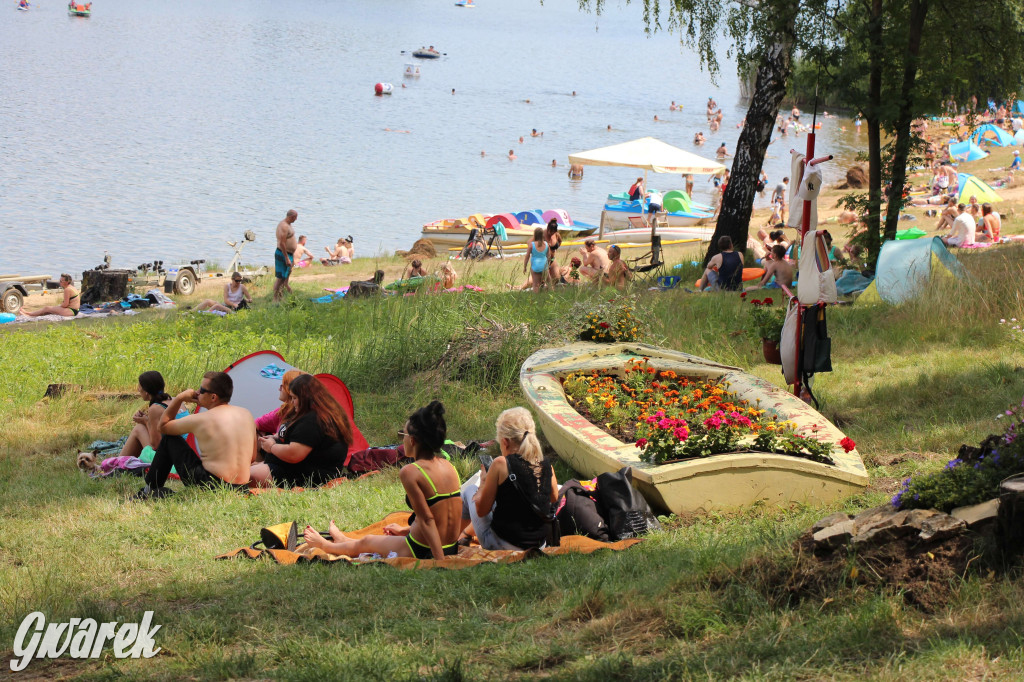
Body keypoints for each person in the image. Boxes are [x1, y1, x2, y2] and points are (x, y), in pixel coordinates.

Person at [304, 401, 462, 560]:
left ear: (412, 440)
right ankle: (344, 541)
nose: (402, 440)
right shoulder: (449, 466)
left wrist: (440, 561)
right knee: (372, 541)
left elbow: (427, 519)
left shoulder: (411, 471)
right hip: (450, 546)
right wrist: (404, 530)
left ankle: (326, 545)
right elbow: (440, 512)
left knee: (368, 541)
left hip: (424, 549)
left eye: (403, 435)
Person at [135, 371, 255, 499]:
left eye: (202, 390)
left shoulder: (202, 419)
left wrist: (180, 398)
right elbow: (252, 457)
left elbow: (162, 427)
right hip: (241, 488)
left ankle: (150, 490)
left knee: (170, 439)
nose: (196, 392)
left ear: (213, 397)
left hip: (210, 486)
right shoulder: (246, 414)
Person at [461, 407, 558, 551]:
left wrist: (483, 483)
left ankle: (453, 540)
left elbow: (481, 511)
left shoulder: (500, 464)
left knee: (470, 491)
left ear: (505, 442)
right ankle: (464, 535)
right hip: (539, 544)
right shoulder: (546, 464)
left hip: (503, 544)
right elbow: (554, 498)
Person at [250, 373, 353, 488]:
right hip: (297, 467)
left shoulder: (312, 420)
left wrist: (272, 447)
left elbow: (294, 454)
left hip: (308, 476)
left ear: (305, 398)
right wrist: (275, 437)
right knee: (244, 473)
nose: (292, 402)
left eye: (294, 398)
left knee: (247, 477)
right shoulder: (317, 412)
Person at [117, 371, 173, 460]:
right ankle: (121, 462)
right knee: (141, 427)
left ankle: (118, 464)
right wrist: (147, 420)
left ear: (146, 391)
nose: (138, 389)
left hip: (170, 460)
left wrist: (146, 421)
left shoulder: (155, 408)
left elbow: (156, 444)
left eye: (139, 386)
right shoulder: (174, 401)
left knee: (139, 429)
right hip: (185, 452)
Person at [255, 369, 302, 437]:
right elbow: (257, 423)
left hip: (285, 447)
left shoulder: (306, 415)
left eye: (281, 386)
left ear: (289, 389)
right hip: (275, 446)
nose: (279, 389)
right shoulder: (284, 409)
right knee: (259, 433)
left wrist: (273, 442)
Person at [273, 210, 298, 302]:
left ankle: (281, 295)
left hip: (289, 254)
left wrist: (292, 257)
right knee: (280, 278)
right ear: (291, 216)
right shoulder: (283, 226)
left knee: (285, 276)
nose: (296, 219)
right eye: (295, 217)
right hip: (283, 253)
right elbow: (282, 243)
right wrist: (286, 257)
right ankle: (275, 298)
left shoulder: (289, 225)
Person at [523, 227, 550, 293]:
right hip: (544, 266)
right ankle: (551, 295)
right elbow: (548, 257)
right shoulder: (546, 245)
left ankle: (536, 298)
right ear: (542, 235)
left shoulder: (531, 245)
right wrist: (548, 266)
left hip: (535, 266)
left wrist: (525, 267)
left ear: (535, 235)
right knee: (549, 283)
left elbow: (527, 257)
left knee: (536, 285)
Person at [544, 219, 563, 285]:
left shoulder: (556, 234)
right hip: (544, 259)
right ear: (547, 228)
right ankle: (518, 287)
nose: (551, 233)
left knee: (556, 279)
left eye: (553, 232)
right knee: (542, 280)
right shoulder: (543, 234)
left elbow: (560, 241)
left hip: (552, 259)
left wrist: (555, 249)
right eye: (550, 232)